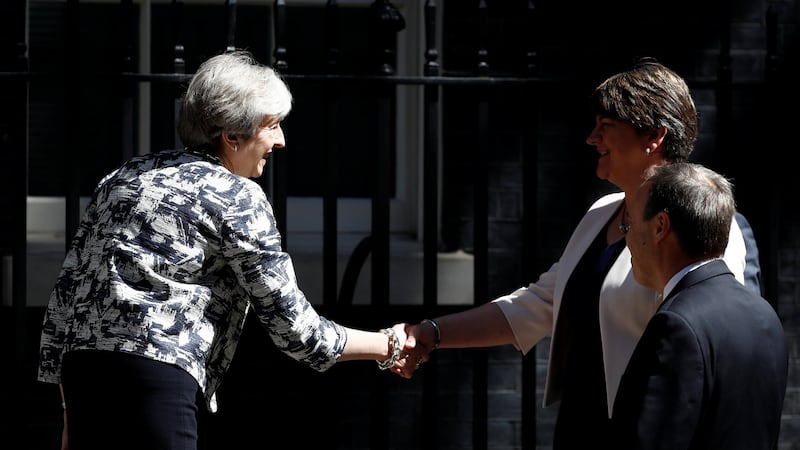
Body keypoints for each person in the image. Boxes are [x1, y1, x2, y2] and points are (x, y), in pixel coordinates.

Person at [36, 50, 407, 450]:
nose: (281, 141)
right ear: (231, 135)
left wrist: (69, 411)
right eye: (273, 126)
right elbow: (295, 331)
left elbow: (69, 296)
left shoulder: (124, 177)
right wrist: (391, 345)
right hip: (156, 382)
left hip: (82, 378)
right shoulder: (236, 195)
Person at [392, 58, 754, 448]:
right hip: (581, 427)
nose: (591, 138)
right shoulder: (601, 214)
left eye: (606, 127)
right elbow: (536, 304)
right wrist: (432, 333)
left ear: (654, 136)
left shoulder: (716, 227)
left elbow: (720, 345)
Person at [612, 162, 787, 450]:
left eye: (628, 224)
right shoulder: (765, 315)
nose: (627, 236)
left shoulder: (676, 324)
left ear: (659, 227)